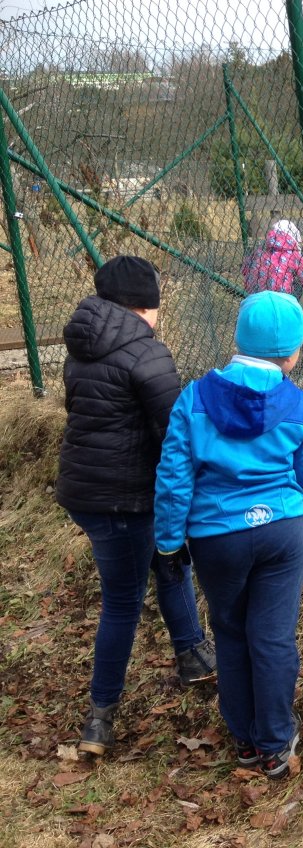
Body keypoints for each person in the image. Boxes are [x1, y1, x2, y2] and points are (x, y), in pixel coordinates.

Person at [153, 291, 303, 781]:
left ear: (238, 339)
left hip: (217, 538)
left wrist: (168, 543)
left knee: (230, 632)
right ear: (292, 352)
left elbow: (174, 478)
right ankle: (275, 744)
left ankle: (246, 741)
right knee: (272, 636)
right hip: (281, 533)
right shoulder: (299, 403)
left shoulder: (194, 398)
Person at [56, 255, 215, 759]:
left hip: (86, 488)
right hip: (122, 498)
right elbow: (174, 434)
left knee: (168, 560)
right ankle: (100, 715)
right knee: (123, 601)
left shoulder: (81, 349)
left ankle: (192, 653)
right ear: (145, 305)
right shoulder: (148, 352)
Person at [242, 219, 303, 305]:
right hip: (282, 299)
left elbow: (245, 269)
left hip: (254, 297)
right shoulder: (294, 254)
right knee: (298, 284)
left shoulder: (260, 250)